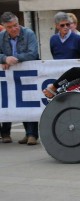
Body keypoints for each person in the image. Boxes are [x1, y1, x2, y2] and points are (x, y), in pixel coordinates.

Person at [0, 12, 39, 145]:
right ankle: (27, 133)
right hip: (13, 75)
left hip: (29, 73)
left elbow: (33, 54)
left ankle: (32, 134)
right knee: (18, 102)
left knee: (30, 101)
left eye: (15, 25)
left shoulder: (29, 33)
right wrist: (4, 59)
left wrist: (13, 60)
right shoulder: (1, 36)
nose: (14, 28)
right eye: (10, 27)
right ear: (5, 27)